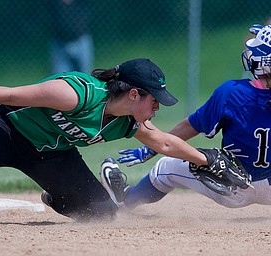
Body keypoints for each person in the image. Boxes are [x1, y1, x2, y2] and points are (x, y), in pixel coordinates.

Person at [0, 58, 212, 221]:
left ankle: (55, 195)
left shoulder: (128, 121)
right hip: (8, 131)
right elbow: (9, 95)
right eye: (154, 100)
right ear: (134, 94)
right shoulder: (78, 94)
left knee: (101, 214)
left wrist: (206, 160)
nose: (157, 107)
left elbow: (165, 143)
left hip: (50, 156)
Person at [100, 24, 271, 210]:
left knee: (165, 169)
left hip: (233, 186)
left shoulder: (232, 92)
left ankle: (126, 202)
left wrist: (150, 150)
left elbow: (191, 126)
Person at [48, 0, 94, 74]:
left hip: (81, 41)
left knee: (84, 77)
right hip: (60, 44)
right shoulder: (55, 3)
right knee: (60, 78)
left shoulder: (82, 2)